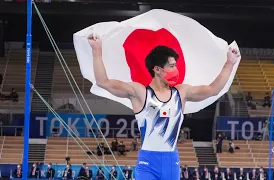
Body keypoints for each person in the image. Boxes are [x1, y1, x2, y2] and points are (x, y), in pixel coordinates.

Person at [88, 35, 239, 180]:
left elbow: (213, 89)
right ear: (158, 70)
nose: (176, 70)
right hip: (148, 161)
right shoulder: (140, 93)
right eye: (172, 66)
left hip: (171, 161)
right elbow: (103, 82)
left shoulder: (181, 93)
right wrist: (96, 49)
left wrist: (230, 63)